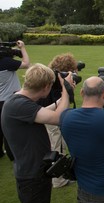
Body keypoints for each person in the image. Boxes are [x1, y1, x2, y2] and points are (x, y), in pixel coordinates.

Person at [1, 63, 72, 203]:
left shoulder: (17, 100)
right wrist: (66, 91)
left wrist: (61, 98)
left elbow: (43, 113)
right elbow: (56, 118)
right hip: (32, 177)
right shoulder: (19, 105)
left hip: (31, 172)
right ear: (46, 87)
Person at [39, 53, 78, 188]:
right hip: (51, 116)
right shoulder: (58, 82)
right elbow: (61, 104)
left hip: (44, 113)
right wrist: (67, 89)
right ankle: (58, 180)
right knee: (57, 145)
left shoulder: (52, 77)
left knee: (54, 144)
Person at [0, 40, 30, 160]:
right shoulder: (6, 62)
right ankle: (12, 154)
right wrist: (22, 48)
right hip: (8, 99)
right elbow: (26, 64)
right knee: (9, 128)